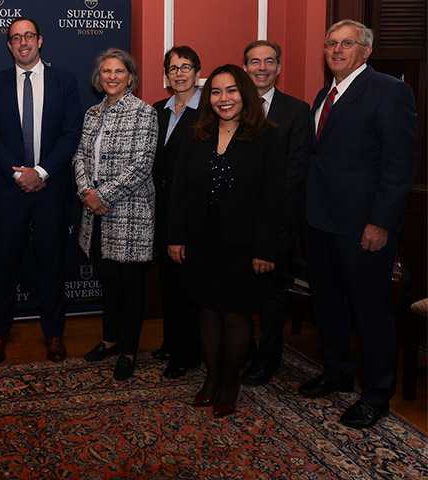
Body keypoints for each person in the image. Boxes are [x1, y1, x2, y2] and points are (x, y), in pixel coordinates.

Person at [299, 20, 417, 429]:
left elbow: (399, 166)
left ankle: (375, 395)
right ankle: (336, 373)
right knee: (328, 306)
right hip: (319, 223)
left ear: (365, 51)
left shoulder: (389, 91)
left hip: (364, 228)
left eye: (346, 44)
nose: (336, 50)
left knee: (371, 313)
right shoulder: (324, 93)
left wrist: (380, 223)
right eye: (331, 43)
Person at [168, 64, 284, 418]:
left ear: (244, 94)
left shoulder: (266, 137)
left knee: (235, 314)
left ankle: (230, 381)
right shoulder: (195, 134)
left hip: (244, 245)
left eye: (231, 91)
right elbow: (179, 191)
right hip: (201, 240)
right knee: (207, 309)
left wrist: (266, 249)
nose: (223, 99)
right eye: (216, 92)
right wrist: (175, 237)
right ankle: (211, 377)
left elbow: (273, 199)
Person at [0, 17, 83, 364]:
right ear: (9, 45)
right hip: (8, 191)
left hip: (50, 189)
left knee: (52, 265)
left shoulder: (65, 81)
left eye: (28, 36)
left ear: (40, 41)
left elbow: (71, 133)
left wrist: (40, 172)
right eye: (15, 38)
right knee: (5, 264)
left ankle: (54, 334)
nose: (22, 42)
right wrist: (18, 175)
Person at [74, 48, 157, 380]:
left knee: (131, 287)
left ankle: (128, 350)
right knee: (108, 282)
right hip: (95, 214)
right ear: (99, 77)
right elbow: (79, 156)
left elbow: (141, 166)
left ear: (131, 77)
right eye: (106, 71)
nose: (111, 76)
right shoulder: (92, 113)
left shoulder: (144, 113)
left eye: (118, 71)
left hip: (130, 212)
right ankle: (109, 340)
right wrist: (86, 193)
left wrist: (101, 196)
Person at [240, 40, 310, 386]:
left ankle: (268, 358)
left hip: (276, 220)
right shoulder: (230, 105)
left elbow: (296, 169)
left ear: (278, 67)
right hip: (234, 222)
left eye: (269, 61)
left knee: (271, 295)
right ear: (245, 67)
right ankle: (241, 351)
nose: (262, 68)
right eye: (255, 62)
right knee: (237, 291)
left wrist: (260, 205)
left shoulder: (297, 110)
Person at [151, 46, 203, 379]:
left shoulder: (211, 111)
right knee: (167, 282)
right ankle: (171, 341)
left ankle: (187, 354)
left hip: (192, 213)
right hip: (160, 210)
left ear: (198, 72)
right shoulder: (158, 110)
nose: (179, 73)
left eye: (186, 67)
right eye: (173, 68)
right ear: (166, 76)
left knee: (188, 285)